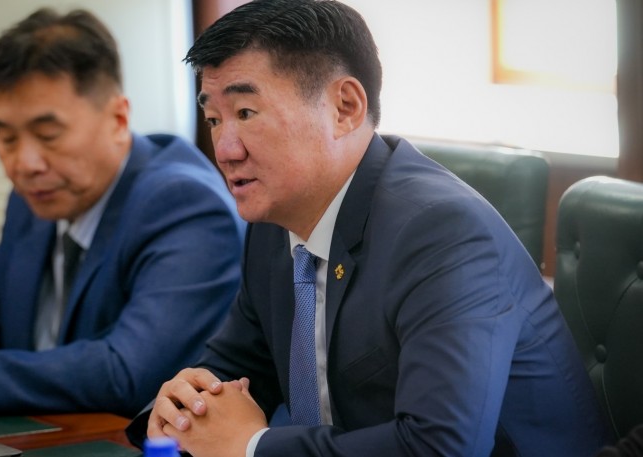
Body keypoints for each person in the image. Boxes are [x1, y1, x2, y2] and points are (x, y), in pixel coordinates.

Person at [134, 0, 610, 455]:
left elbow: (441, 446)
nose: (225, 149)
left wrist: (252, 447)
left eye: (245, 113)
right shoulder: (273, 225)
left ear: (345, 107)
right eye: (213, 119)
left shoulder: (442, 232)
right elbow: (231, 372)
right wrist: (180, 408)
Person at [0, 8, 244, 417]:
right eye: (7, 138)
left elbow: (126, 372)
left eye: (48, 135)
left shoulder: (185, 205)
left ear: (118, 119)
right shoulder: (34, 197)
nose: (25, 163)